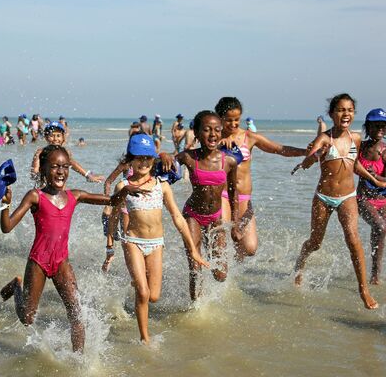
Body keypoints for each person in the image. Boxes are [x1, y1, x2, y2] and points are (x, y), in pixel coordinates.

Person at [0, 144, 143, 353]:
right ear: (44, 169)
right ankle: (16, 287)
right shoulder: (35, 196)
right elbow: (6, 227)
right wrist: (6, 204)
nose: (61, 171)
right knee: (28, 318)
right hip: (38, 261)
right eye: (55, 166)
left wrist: (125, 190)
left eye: (65, 167)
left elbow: (112, 200)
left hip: (61, 262)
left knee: (77, 313)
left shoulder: (75, 196)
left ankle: (79, 361)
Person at [108, 133, 209, 344]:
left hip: (155, 245)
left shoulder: (162, 186)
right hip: (133, 242)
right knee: (143, 293)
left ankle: (139, 286)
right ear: (130, 160)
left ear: (153, 159)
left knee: (153, 296)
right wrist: (110, 248)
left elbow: (178, 219)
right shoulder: (123, 187)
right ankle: (145, 339)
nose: (143, 162)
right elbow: (113, 217)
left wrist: (193, 250)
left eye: (147, 158)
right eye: (138, 158)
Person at [292, 93, 381, 310]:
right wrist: (315, 156)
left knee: (353, 239)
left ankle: (363, 290)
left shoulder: (356, 138)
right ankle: (299, 265)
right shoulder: (324, 138)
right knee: (315, 242)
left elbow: (354, 165)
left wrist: (373, 179)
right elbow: (308, 162)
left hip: (347, 197)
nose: (346, 113)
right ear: (332, 113)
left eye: (349, 110)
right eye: (341, 110)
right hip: (323, 197)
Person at [215, 97, 307, 261]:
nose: (233, 124)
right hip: (222, 195)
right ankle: (218, 272)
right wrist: (218, 146)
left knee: (250, 248)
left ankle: (234, 267)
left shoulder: (249, 137)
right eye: (228, 120)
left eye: (237, 119)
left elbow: (279, 149)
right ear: (220, 118)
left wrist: (305, 152)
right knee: (221, 243)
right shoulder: (214, 138)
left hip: (243, 198)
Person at [176, 111, 241, 299]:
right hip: (193, 216)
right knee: (195, 268)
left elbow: (233, 192)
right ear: (196, 133)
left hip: (215, 218)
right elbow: (161, 168)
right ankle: (195, 310)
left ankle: (207, 296)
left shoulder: (228, 161)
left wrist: (235, 224)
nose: (212, 134)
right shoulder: (188, 157)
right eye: (206, 130)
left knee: (220, 274)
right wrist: (163, 156)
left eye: (217, 130)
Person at [356, 108, 386, 285]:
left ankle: (375, 272)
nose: (380, 129)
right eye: (376, 125)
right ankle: (374, 275)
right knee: (381, 228)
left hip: (383, 199)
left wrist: (374, 175)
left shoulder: (385, 151)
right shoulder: (361, 147)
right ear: (368, 127)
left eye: (383, 125)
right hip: (363, 198)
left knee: (380, 230)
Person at [30, 121, 105, 183]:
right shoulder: (41, 152)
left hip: (59, 188)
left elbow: (72, 163)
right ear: (46, 138)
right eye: (51, 136)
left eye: (58, 135)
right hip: (43, 189)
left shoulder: (65, 152)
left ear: (63, 138)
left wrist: (88, 175)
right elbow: (34, 173)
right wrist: (44, 176)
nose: (55, 139)